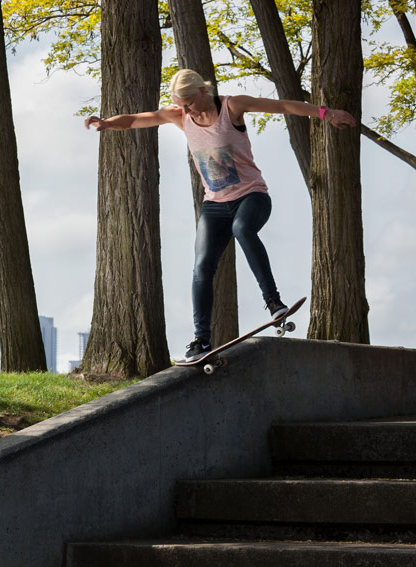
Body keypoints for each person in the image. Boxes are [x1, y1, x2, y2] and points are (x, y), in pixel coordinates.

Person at [85, 69, 357, 361]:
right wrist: (107, 123)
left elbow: (282, 106)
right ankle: (201, 341)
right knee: (202, 267)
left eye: (190, 102)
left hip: (252, 197)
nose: (187, 110)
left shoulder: (232, 107)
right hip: (214, 206)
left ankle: (273, 301)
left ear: (203, 90)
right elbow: (137, 119)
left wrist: (326, 114)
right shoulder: (180, 116)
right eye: (182, 105)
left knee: (242, 229)